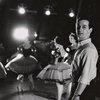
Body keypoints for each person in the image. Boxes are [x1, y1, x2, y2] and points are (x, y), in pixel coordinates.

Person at [69, 18, 99, 100]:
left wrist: (76, 95)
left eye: (84, 27)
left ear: (90, 30)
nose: (80, 30)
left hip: (83, 91)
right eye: (78, 27)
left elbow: (85, 76)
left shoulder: (89, 49)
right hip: (78, 88)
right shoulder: (81, 47)